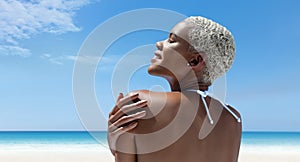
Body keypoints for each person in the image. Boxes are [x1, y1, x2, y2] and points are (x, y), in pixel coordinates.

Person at [107, 16, 242, 162]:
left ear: (194, 60)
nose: (159, 43)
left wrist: (117, 145)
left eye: (171, 41)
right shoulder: (233, 119)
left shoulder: (140, 104)